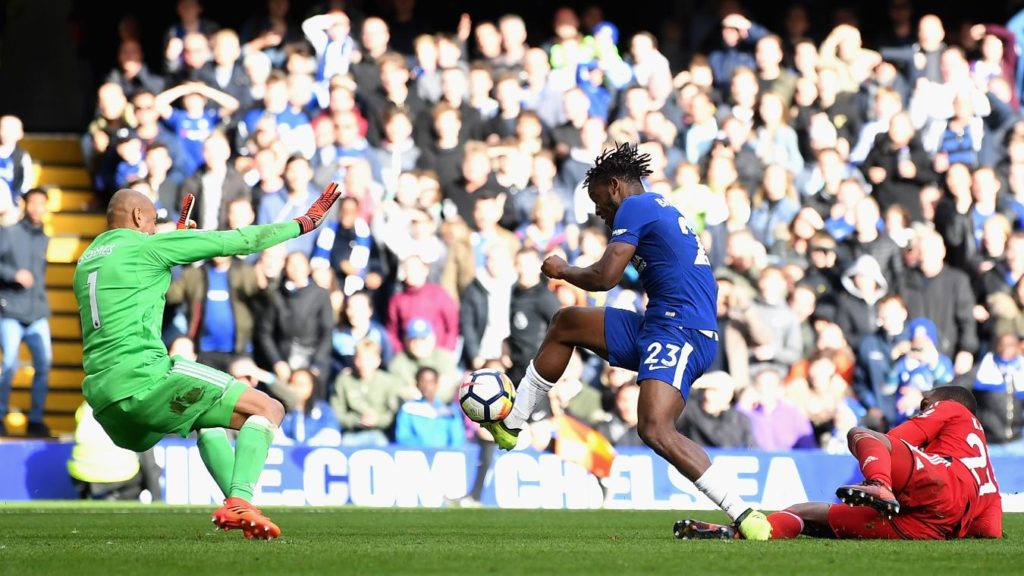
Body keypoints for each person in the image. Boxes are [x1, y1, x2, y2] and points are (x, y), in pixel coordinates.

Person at [485, 143, 773, 540]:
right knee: (566, 322)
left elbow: (606, 277)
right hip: (660, 323)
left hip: (681, 330)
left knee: (654, 429)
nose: (599, 211)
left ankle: (745, 515)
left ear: (616, 186)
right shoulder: (658, 207)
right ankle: (513, 424)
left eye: (599, 200)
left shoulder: (636, 207)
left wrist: (562, 269)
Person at [71, 183, 341, 539]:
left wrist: (176, 242)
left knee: (206, 418)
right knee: (269, 408)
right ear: (138, 216)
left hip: (105, 401)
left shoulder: (87, 259)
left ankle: (238, 506)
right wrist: (302, 223)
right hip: (144, 377)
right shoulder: (148, 246)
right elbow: (239, 240)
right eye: (152, 222)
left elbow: (135, 286)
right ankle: (240, 501)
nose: (154, 229)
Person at [677, 386, 1002, 540]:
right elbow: (991, 530)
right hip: (930, 527)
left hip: (936, 486)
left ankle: (879, 484)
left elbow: (889, 440)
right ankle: (749, 533)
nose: (922, 410)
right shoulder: (984, 470)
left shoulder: (952, 408)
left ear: (934, 402)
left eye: (923, 405)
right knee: (805, 511)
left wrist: (880, 463)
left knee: (861, 433)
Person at [0, 188, 51, 437]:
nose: (37, 208)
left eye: (42, 204)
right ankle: (0, 415)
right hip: (11, 311)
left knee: (44, 365)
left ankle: (36, 419)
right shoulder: (8, 233)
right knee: (9, 365)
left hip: (37, 312)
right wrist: (12, 275)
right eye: (34, 203)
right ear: (25, 204)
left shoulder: (44, 237)